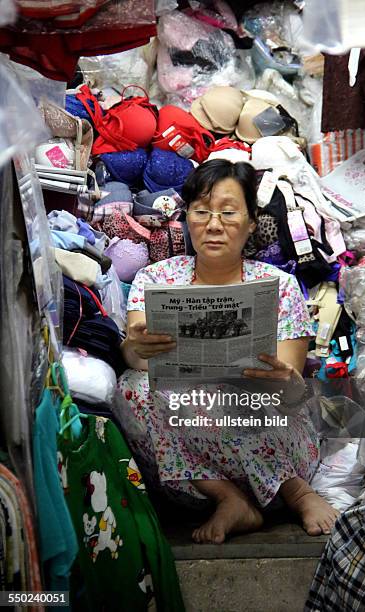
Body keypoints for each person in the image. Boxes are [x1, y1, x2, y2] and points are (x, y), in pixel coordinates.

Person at [118, 160, 339, 544]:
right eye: (201, 212)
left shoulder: (280, 286)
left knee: (243, 393)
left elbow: (291, 384)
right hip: (194, 469)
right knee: (131, 387)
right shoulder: (155, 279)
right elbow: (139, 359)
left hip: (272, 440)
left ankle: (297, 490)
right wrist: (136, 348)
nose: (214, 224)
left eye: (228, 212)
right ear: (187, 217)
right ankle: (229, 498)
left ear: (251, 221)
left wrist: (283, 378)